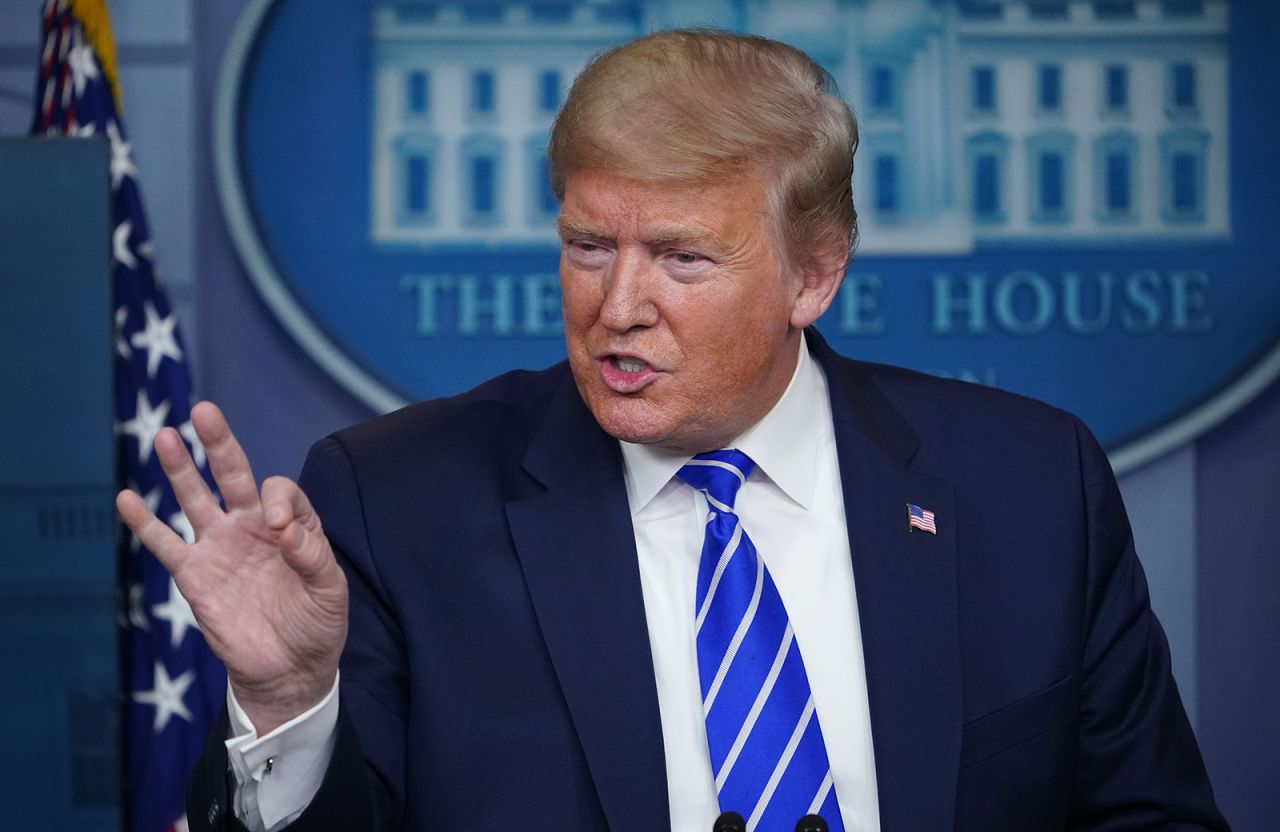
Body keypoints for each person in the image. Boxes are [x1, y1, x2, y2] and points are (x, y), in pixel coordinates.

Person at [118, 29, 1227, 832]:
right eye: (589, 245)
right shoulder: (396, 499)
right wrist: (286, 703)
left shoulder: (1028, 487)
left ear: (815, 274)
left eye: (682, 258)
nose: (616, 304)